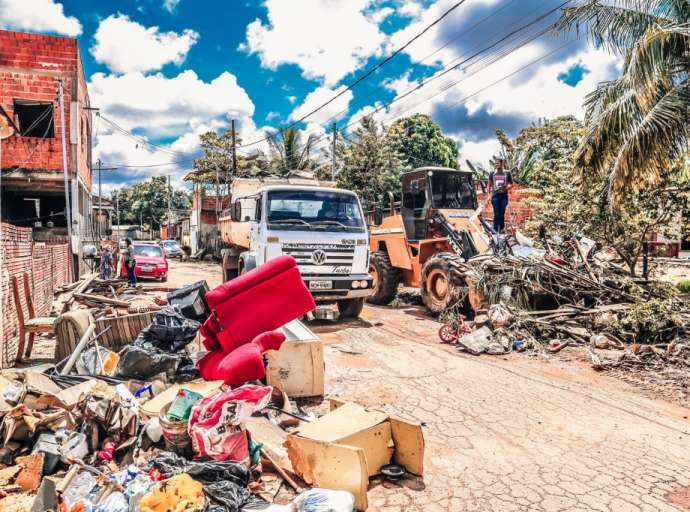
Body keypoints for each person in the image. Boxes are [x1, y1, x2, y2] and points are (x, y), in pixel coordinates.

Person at [487, 157, 513, 233]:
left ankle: (501, 229)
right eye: (495, 163)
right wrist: (488, 195)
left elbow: (511, 184)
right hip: (495, 196)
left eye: (498, 163)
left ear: (502, 163)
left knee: (502, 213)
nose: (496, 164)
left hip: (504, 196)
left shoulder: (507, 173)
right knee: (496, 213)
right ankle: (495, 230)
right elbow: (489, 185)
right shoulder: (492, 173)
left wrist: (506, 188)